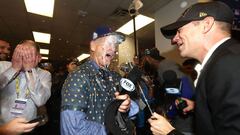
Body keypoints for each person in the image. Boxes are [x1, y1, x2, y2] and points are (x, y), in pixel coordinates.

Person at [148, 1, 240, 135]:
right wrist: (199, 107)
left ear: (206, 25)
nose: (174, 39)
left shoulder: (229, 63)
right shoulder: (222, 60)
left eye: (179, 30)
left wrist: (170, 133)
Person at [60, 26, 138, 135]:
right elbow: (72, 128)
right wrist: (110, 130)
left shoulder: (115, 76)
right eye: (109, 43)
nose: (114, 49)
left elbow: (133, 108)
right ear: (93, 46)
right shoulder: (78, 76)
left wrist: (126, 105)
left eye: (115, 45)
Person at [0, 40, 51, 125]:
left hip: (28, 126)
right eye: (22, 53)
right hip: (3, 126)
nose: (25, 57)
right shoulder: (3, 65)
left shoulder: (44, 74)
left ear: (39, 58)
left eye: (30, 54)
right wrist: (13, 69)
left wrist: (30, 71)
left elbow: (40, 100)